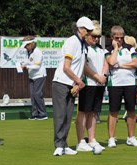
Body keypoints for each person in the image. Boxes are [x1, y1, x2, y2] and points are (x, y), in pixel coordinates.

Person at [52, 16, 94, 156]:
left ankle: (64, 144)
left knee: (68, 116)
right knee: (60, 115)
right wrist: (79, 81)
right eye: (87, 30)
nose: (89, 33)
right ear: (80, 29)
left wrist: (77, 82)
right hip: (61, 82)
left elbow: (79, 67)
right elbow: (66, 67)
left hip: (72, 84)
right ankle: (58, 145)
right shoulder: (72, 42)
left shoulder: (82, 44)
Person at [105, 25, 137, 148]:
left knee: (131, 111)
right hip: (115, 84)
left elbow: (135, 64)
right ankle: (111, 138)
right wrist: (115, 49)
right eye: (117, 38)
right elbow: (110, 62)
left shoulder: (130, 48)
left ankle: (131, 137)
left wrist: (120, 65)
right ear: (112, 37)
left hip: (130, 83)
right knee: (113, 111)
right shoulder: (108, 50)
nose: (119, 40)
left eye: (121, 37)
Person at [75, 20, 108, 151]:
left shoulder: (100, 48)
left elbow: (106, 63)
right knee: (83, 112)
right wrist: (96, 76)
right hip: (87, 84)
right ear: (87, 35)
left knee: (94, 113)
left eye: (98, 37)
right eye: (93, 36)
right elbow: (83, 66)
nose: (96, 39)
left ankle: (92, 139)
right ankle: (80, 141)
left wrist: (104, 76)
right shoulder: (84, 48)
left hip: (99, 85)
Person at [21, 36, 48, 120]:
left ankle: (43, 114)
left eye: (27, 45)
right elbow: (26, 61)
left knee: (37, 94)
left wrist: (27, 67)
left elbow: (37, 65)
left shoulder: (38, 52)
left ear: (32, 44)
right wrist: (22, 64)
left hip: (39, 75)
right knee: (33, 95)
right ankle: (35, 114)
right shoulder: (27, 52)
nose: (25, 47)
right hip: (32, 76)